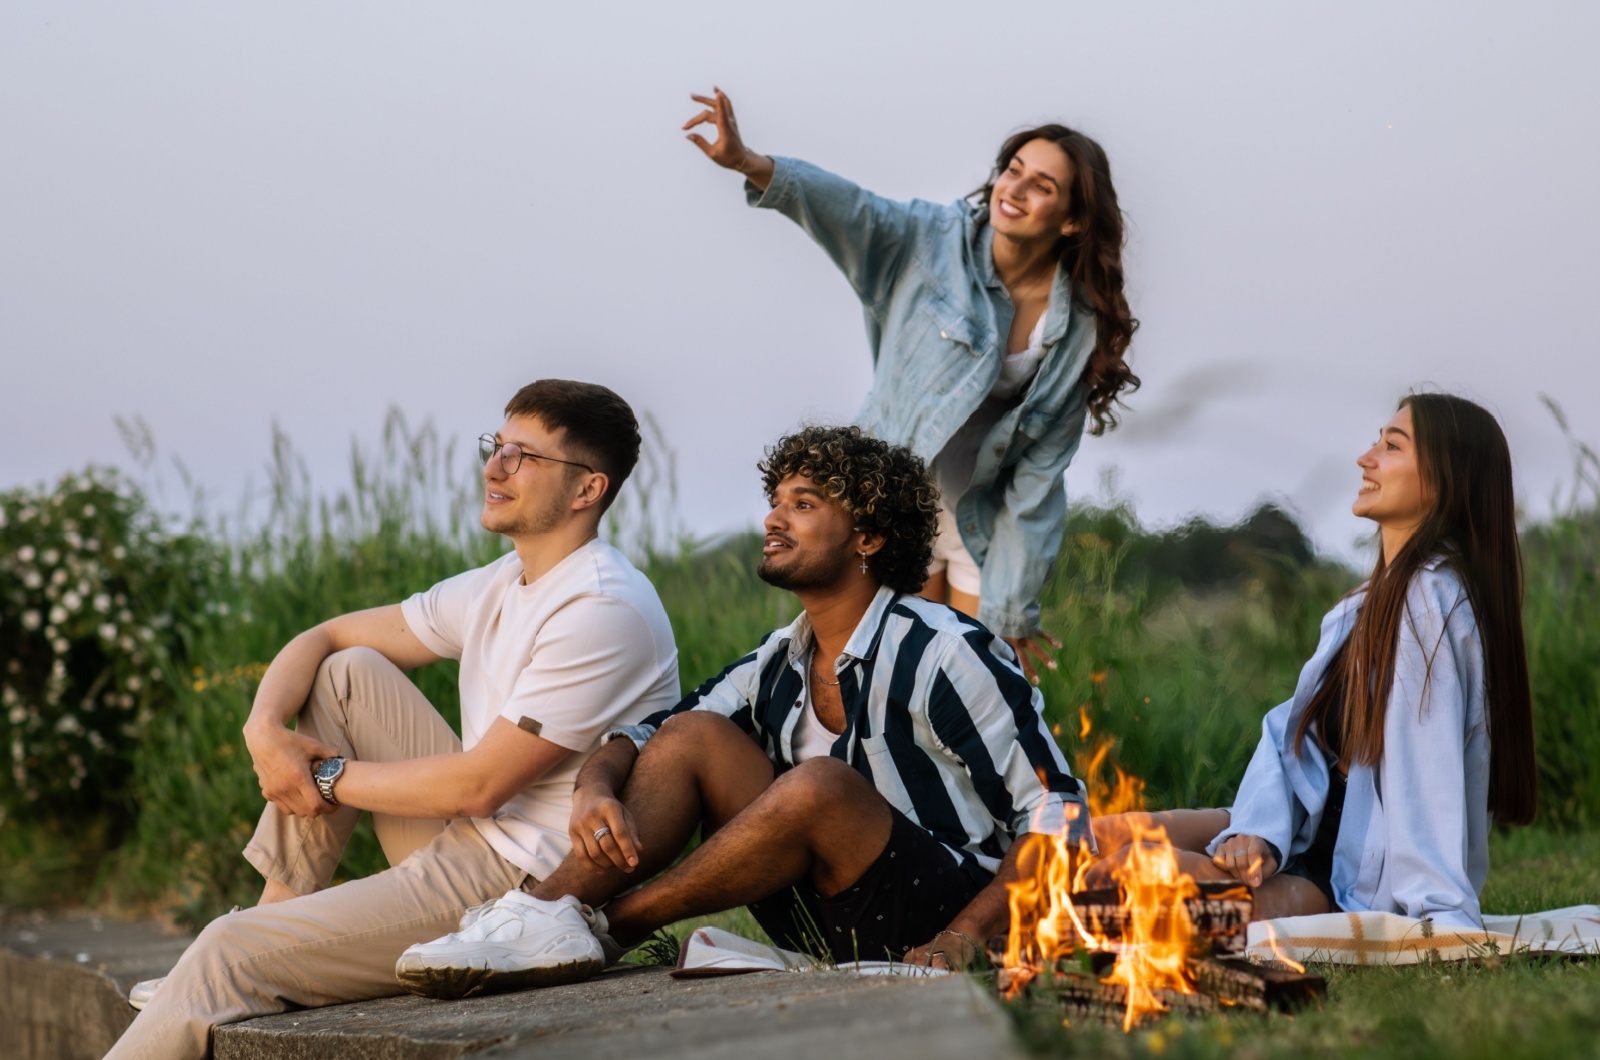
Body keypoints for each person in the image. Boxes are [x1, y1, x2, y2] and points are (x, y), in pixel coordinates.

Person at [395, 425, 1092, 997]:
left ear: (868, 539)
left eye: (804, 504)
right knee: (694, 735)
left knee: (820, 787)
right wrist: (594, 784)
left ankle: (605, 927)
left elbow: (1058, 813)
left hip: (943, 906)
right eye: (776, 500)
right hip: (824, 915)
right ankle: (546, 911)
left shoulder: (946, 649)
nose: (772, 517)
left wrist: (964, 937)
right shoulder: (780, 659)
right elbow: (651, 735)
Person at [107, 381, 680, 1060]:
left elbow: (480, 787)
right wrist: (263, 729)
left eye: (524, 457)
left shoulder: (600, 609)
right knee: (349, 673)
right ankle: (273, 921)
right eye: (495, 448)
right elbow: (327, 635)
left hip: (527, 894)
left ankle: (242, 957)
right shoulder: (502, 583)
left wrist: (322, 778)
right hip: (472, 843)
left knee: (224, 952)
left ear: (587, 490)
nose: (494, 469)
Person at [683, 87, 1140, 682]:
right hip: (900, 501)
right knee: (887, 680)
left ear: (1074, 219)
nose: (1014, 189)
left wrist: (1013, 608)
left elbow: (1039, 479)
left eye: (1042, 186)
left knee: (970, 682)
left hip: (986, 520)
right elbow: (854, 210)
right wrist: (751, 163)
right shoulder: (933, 240)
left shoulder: (1078, 325)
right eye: (1013, 170)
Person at [1088, 394, 1537, 929]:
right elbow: (1291, 733)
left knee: (1129, 872)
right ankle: (980, 916)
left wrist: (1437, 912)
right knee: (1089, 839)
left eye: (1391, 446)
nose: (1365, 458)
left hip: (1344, 878)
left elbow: (1428, 777)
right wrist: (1257, 830)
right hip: (1298, 827)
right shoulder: (1366, 602)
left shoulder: (1432, 602)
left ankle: (1020, 936)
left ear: (1444, 480)